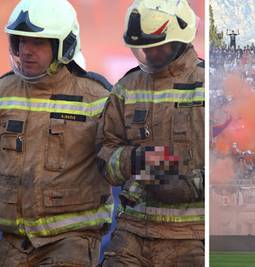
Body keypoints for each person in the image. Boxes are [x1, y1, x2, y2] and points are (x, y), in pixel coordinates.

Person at [0, 0, 113, 266]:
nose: (26, 51)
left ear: (64, 45)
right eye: (21, 41)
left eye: (38, 43)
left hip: (71, 241)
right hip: (12, 242)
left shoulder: (97, 97)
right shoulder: (4, 92)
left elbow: (124, 159)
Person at [98, 0, 205, 266]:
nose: (149, 54)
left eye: (157, 46)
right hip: (132, 231)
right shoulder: (127, 87)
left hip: (191, 236)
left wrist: (193, 183)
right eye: (143, 47)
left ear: (180, 39)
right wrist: (135, 159)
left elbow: (232, 163)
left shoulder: (207, 85)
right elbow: (104, 156)